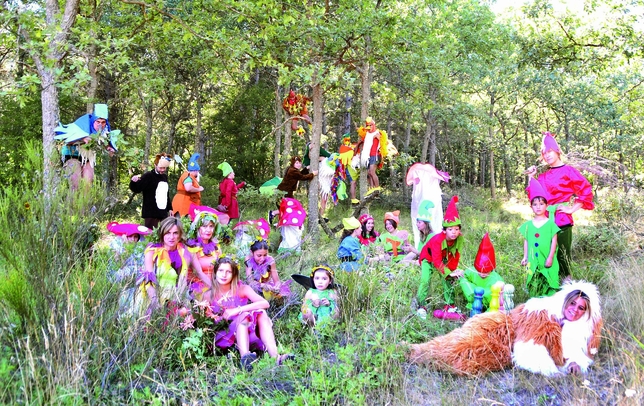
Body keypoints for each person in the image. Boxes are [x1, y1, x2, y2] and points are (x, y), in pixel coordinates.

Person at [408, 279, 602, 377]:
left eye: (580, 308)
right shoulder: (543, 312)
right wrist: (555, 370)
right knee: (464, 346)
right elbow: (529, 348)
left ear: (586, 312)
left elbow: (578, 354)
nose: (574, 310)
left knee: (469, 363)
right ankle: (415, 352)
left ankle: (421, 355)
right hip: (502, 327)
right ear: (565, 301)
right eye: (572, 304)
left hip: (506, 347)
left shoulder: (580, 331)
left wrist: (572, 364)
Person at [525, 132, 595, 279]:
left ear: (557, 151)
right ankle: (546, 290)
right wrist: (531, 177)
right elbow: (534, 197)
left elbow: (586, 190)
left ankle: (566, 291)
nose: (548, 155)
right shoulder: (543, 176)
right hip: (545, 221)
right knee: (544, 255)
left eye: (550, 151)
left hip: (562, 220)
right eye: (545, 153)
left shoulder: (569, 171)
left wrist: (571, 209)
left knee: (563, 258)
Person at [205, 257, 294, 370]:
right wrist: (222, 317)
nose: (224, 275)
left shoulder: (242, 289)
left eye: (228, 272)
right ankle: (245, 358)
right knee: (243, 317)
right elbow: (208, 321)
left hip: (245, 331)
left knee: (260, 313)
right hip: (225, 334)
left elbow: (265, 303)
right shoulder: (209, 295)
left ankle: (276, 357)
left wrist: (238, 310)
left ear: (234, 274)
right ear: (215, 273)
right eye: (221, 271)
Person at [136, 216, 211, 316]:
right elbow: (148, 279)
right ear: (162, 234)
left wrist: (216, 288)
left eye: (175, 233)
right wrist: (155, 301)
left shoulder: (186, 252)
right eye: (168, 233)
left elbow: (198, 273)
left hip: (176, 293)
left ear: (180, 235)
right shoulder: (152, 251)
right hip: (153, 293)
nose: (171, 237)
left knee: (185, 314)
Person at [417, 196, 465, 320]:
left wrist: (452, 272)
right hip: (428, 258)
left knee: (448, 279)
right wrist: (448, 272)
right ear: (444, 231)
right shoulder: (438, 240)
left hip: (442, 259)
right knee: (425, 280)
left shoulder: (459, 239)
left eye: (456, 229)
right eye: (450, 229)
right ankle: (421, 305)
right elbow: (437, 261)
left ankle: (450, 305)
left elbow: (455, 256)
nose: (454, 232)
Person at [56, 104, 118, 191]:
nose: (100, 124)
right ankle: (72, 204)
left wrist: (109, 148)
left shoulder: (105, 129)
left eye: (103, 122)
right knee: (75, 184)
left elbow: (105, 141)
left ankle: (85, 204)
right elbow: (66, 140)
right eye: (98, 121)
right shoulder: (83, 124)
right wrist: (82, 138)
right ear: (94, 120)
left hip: (88, 156)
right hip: (72, 154)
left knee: (88, 184)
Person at [519, 178, 560, 297]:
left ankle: (549, 302)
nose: (538, 207)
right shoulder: (528, 225)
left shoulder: (551, 224)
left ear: (546, 206)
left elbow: (554, 241)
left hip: (546, 259)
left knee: (548, 280)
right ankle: (535, 301)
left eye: (541, 204)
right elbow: (526, 241)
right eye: (535, 204)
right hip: (533, 260)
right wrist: (525, 257)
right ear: (531, 206)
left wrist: (550, 257)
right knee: (534, 280)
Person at [457, 233, 504, 312]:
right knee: (463, 280)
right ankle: (474, 303)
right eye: (479, 271)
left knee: (496, 300)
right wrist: (460, 273)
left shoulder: (496, 279)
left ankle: (485, 313)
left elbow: (500, 298)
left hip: (490, 301)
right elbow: (464, 276)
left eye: (485, 272)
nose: (482, 274)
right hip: (475, 297)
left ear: (491, 269)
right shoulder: (472, 271)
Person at [185, 211, 223, 299]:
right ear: (198, 228)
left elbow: (221, 268)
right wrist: (216, 289)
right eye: (205, 226)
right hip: (197, 285)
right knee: (214, 296)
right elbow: (199, 273)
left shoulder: (216, 247)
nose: (208, 230)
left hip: (216, 282)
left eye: (211, 226)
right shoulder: (191, 247)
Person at [129, 153, 172, 229]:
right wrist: (133, 181)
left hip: (163, 214)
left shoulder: (165, 177)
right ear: (155, 165)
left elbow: (166, 195)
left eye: (164, 168)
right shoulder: (148, 176)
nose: (162, 170)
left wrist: (170, 208)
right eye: (161, 168)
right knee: (150, 236)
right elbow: (137, 189)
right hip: (151, 213)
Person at [354, 117, 389, 193]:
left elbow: (383, 142)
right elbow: (363, 137)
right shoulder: (367, 134)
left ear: (373, 125)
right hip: (367, 156)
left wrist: (378, 138)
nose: (369, 128)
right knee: (369, 173)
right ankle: (372, 188)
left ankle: (377, 188)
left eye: (370, 125)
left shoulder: (377, 133)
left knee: (372, 172)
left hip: (374, 155)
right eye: (368, 126)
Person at [338, 134, 359, 204]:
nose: (347, 141)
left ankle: (354, 198)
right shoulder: (343, 148)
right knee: (353, 183)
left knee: (354, 183)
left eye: (348, 140)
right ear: (343, 140)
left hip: (354, 167)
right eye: (346, 140)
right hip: (349, 168)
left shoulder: (352, 146)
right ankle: (353, 199)